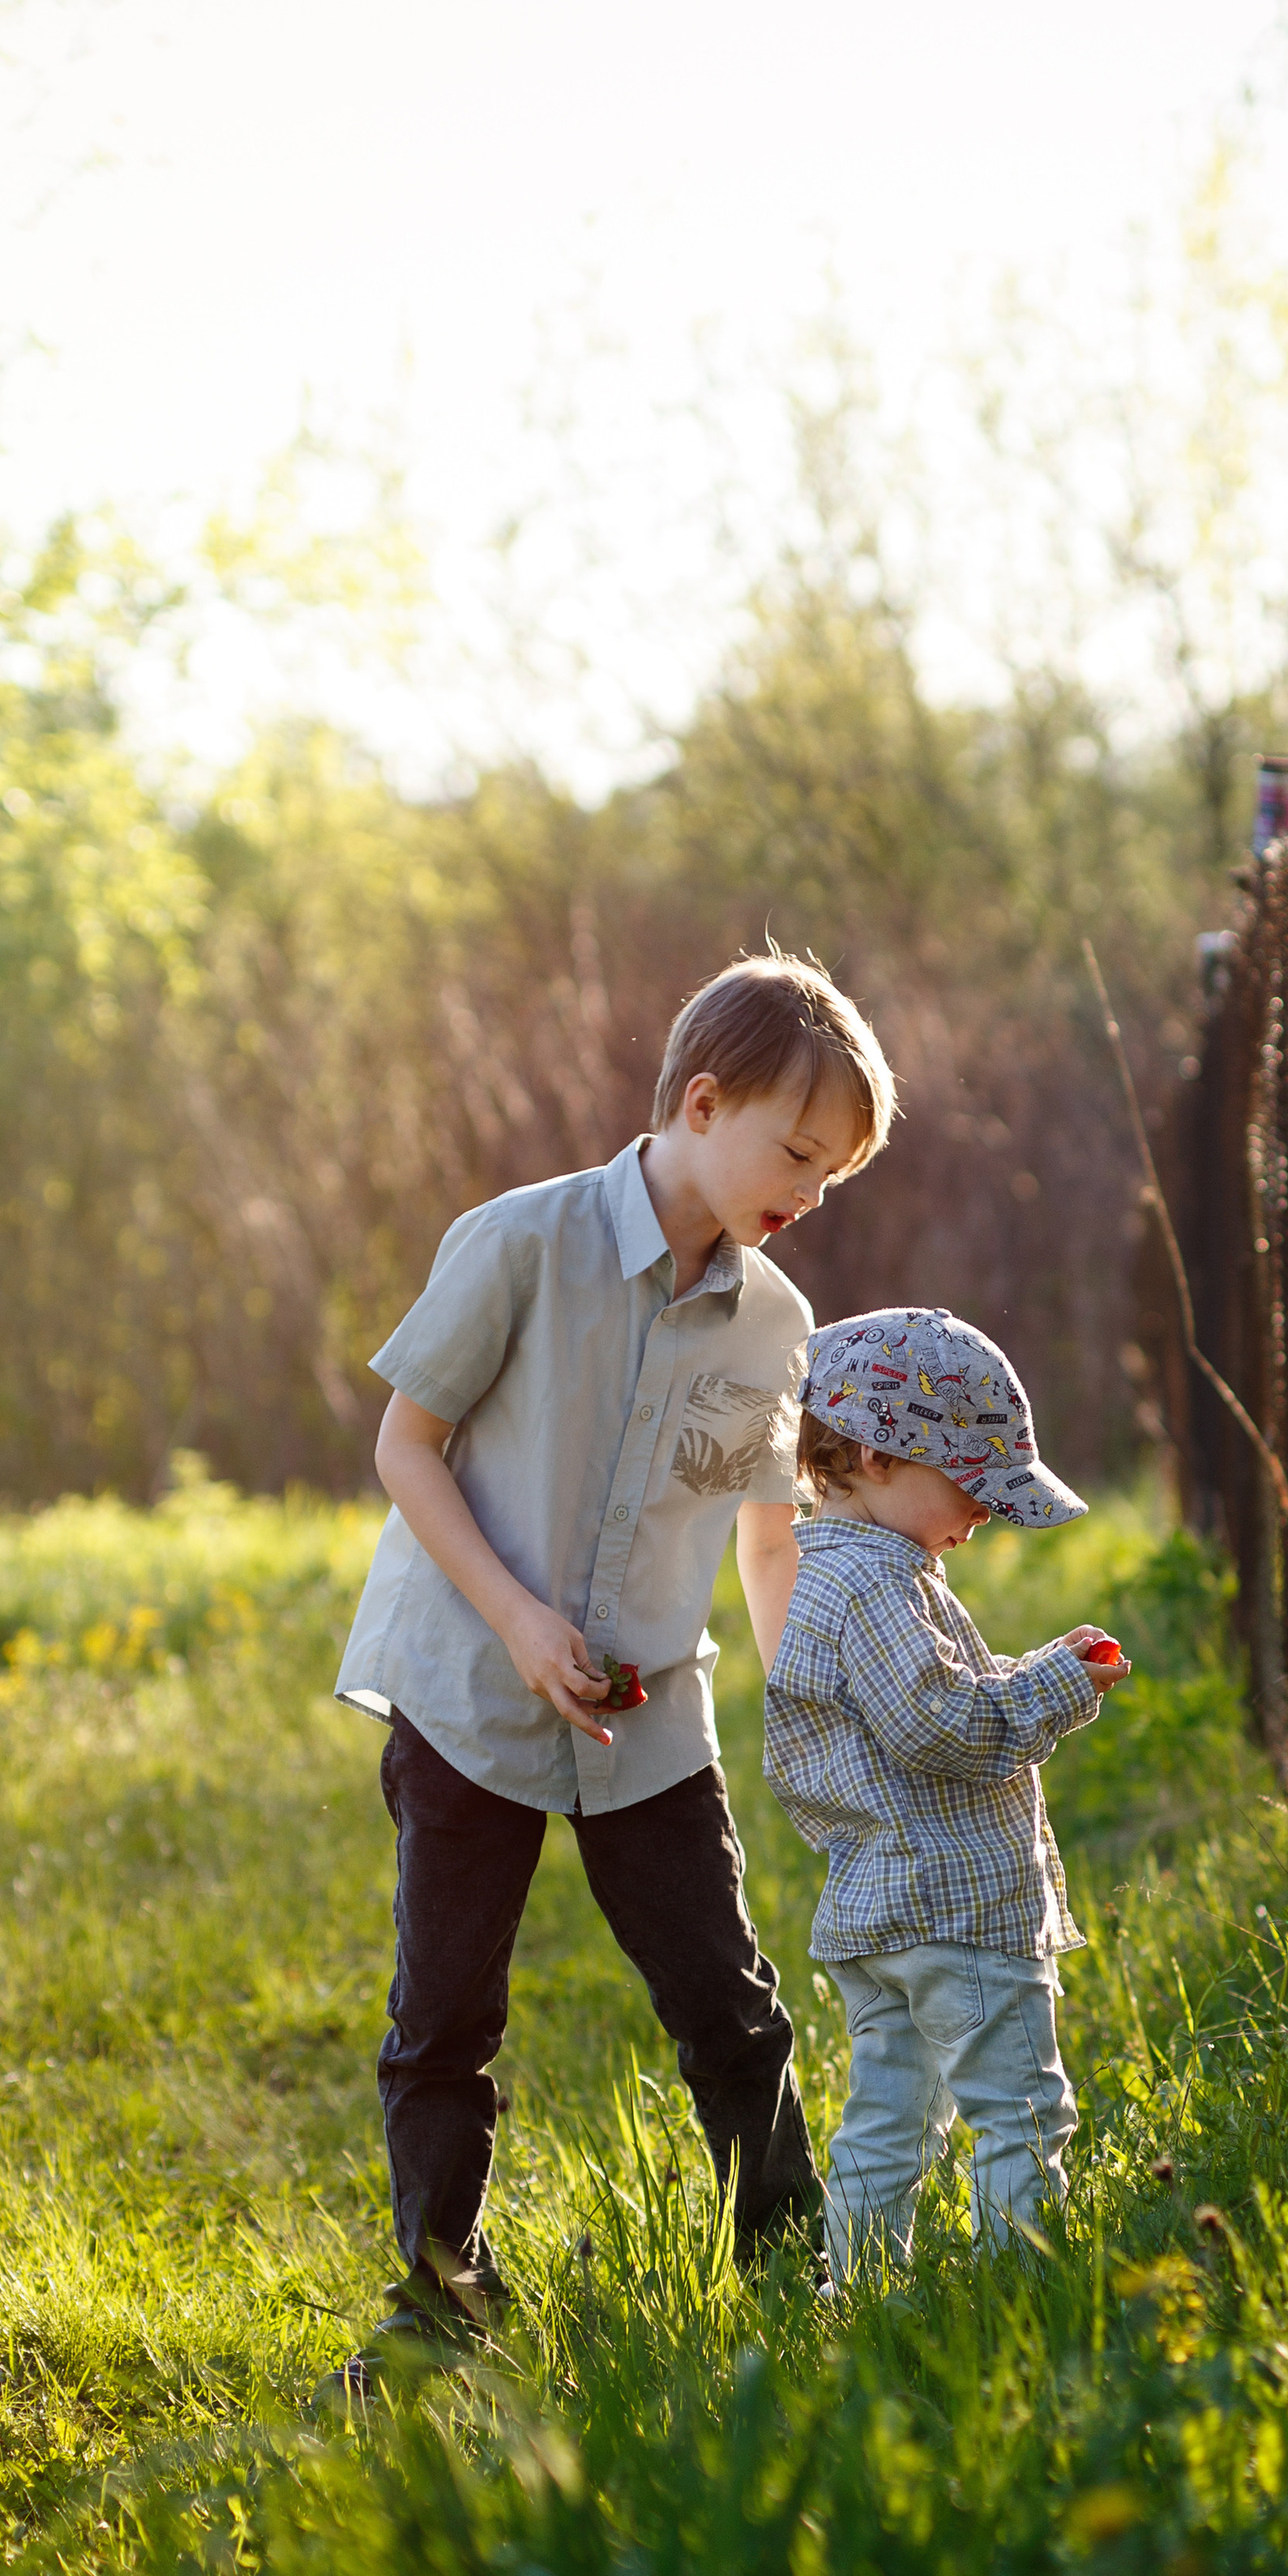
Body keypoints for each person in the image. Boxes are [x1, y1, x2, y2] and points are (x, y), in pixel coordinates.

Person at [329, 954, 897, 2380]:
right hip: (470, 1688)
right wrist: (521, 1621)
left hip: (649, 1715)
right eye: (799, 1153)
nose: (812, 1192)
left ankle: (788, 2271)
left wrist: (807, 1704)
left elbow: (766, 1540)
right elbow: (408, 1444)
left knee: (730, 2000)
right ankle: (439, 2306)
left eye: (836, 1173)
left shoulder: (776, 1324)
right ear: (703, 1102)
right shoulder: (518, 1242)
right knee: (445, 2011)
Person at [762, 1305, 1130, 2278]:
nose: (983, 1513)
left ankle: (866, 2295)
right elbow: (942, 1727)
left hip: (880, 1915)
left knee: (890, 2119)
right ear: (876, 1457)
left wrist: (1033, 1670)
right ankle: (1022, 2293)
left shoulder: (830, 1569)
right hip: (955, 1910)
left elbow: (917, 1705)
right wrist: (1055, 1686)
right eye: (972, 1484)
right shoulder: (879, 1583)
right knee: (1019, 2111)